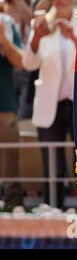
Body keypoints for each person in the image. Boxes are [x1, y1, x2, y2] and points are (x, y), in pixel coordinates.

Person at [22, 0, 77, 209]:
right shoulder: (40, 25)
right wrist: (36, 38)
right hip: (50, 102)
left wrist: (74, 38)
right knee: (51, 161)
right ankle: (51, 210)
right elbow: (29, 64)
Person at [0, 11, 24, 208]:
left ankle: (13, 203)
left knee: (9, 158)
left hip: (4, 103)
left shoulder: (7, 24)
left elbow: (20, 62)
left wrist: (3, 41)